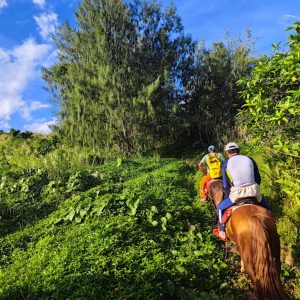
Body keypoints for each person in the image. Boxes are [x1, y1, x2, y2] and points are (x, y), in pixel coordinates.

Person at [213, 142, 270, 241]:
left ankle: (222, 231)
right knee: (268, 209)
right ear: (238, 151)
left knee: (220, 208)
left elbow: (226, 186)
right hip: (254, 191)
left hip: (237, 193)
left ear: (227, 153)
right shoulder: (250, 159)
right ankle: (273, 224)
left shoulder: (226, 164)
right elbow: (258, 179)